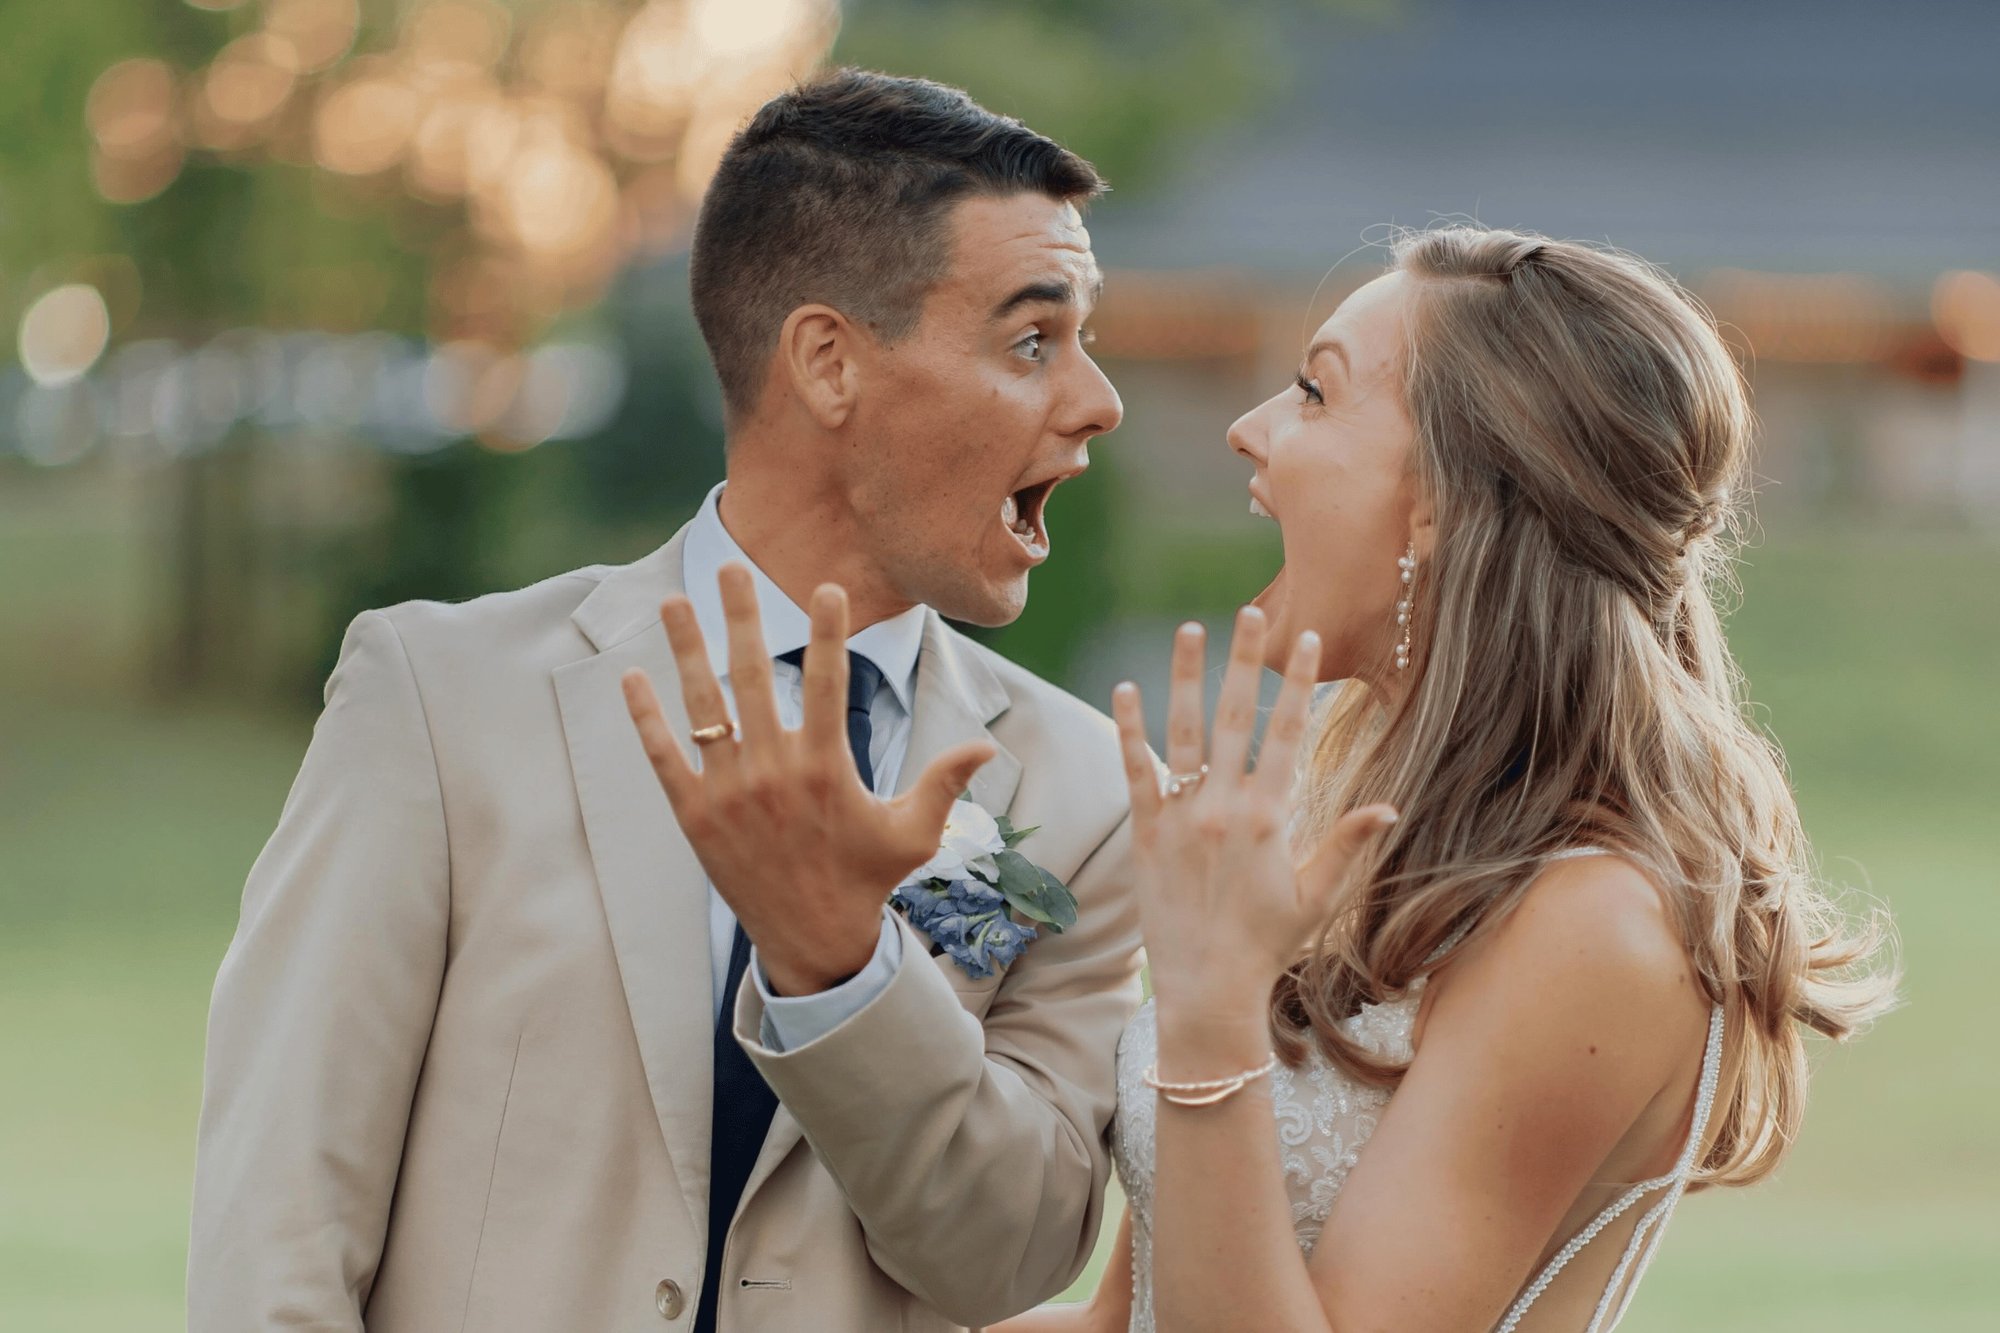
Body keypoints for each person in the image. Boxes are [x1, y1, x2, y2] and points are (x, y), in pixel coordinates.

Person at [188, 70, 1143, 1332]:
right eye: (1033, 340)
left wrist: (840, 969)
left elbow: (1008, 1259)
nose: (1096, 402)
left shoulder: (1075, 795)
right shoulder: (437, 702)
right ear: (827, 362)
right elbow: (279, 1230)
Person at [995, 226, 1896, 1333]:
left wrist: (1208, 1006)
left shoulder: (1595, 926)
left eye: (1311, 395)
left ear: (1438, 504)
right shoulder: (1344, 835)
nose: (1247, 430)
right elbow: (1117, 1323)